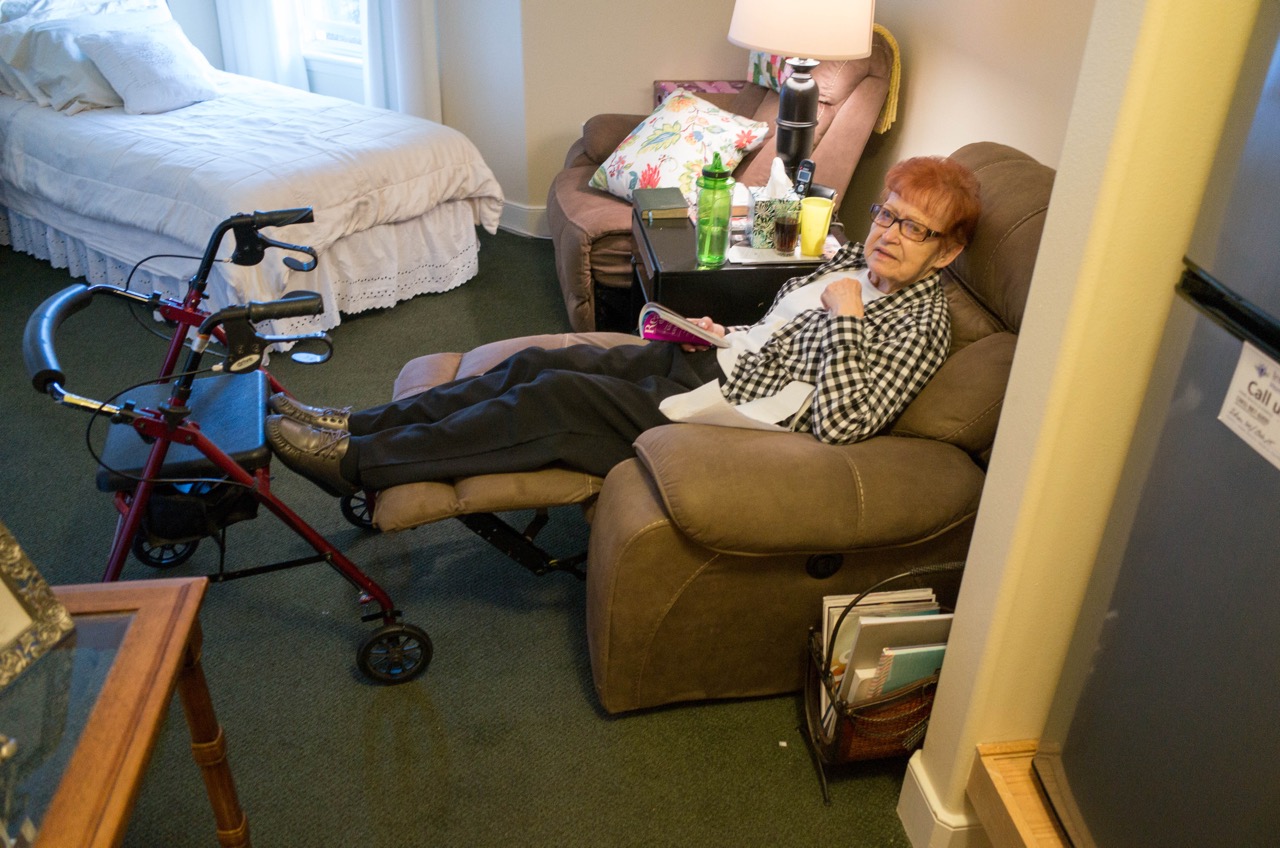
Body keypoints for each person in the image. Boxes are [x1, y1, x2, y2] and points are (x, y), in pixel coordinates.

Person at [265, 155, 982, 497]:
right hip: (717, 363)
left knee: (548, 405)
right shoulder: (856, 258)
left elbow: (846, 422)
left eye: (915, 229)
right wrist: (723, 330)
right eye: (889, 212)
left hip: (730, 415)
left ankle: (353, 466)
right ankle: (360, 424)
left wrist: (849, 320)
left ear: (947, 250)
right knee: (534, 366)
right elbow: (786, 317)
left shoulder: (920, 323)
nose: (889, 232)